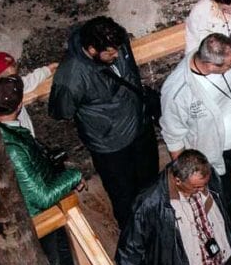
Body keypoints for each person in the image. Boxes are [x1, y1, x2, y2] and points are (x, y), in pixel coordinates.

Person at [0, 76, 91, 265]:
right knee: (47, 262)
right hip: (35, 218)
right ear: (20, 105)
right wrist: (73, 175)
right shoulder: (11, 146)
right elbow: (42, 196)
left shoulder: (1, 132)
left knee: (60, 246)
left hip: (34, 211)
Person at [48, 16, 159, 229]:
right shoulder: (71, 75)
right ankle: (135, 238)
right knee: (124, 197)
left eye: (118, 49)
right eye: (110, 52)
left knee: (150, 183)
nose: (117, 55)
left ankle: (157, 225)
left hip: (139, 128)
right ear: (91, 50)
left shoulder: (117, 42)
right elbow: (61, 110)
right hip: (110, 145)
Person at [116, 150, 231, 265]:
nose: (202, 190)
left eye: (204, 184)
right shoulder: (150, 202)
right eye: (196, 187)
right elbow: (131, 248)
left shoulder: (208, 179)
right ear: (177, 180)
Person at [160, 33, 231, 246]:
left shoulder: (225, 61)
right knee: (225, 201)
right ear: (211, 65)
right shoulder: (177, 91)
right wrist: (188, 176)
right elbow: (174, 135)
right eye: (230, 64)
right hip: (213, 155)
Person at [0, 51, 57, 137]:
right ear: (11, 69)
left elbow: (28, 81)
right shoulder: (13, 87)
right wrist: (48, 69)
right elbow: (29, 82)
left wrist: (47, 69)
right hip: (21, 137)